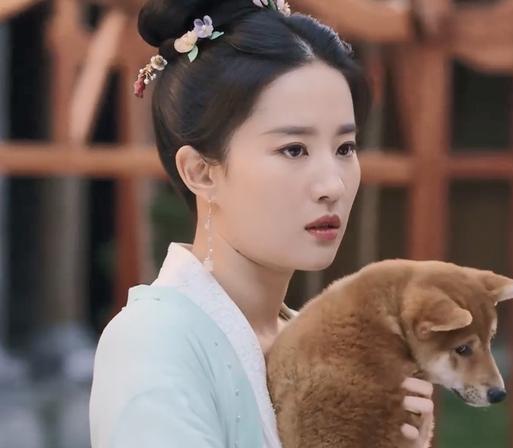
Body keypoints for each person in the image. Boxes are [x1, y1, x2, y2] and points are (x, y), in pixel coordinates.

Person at [89, 0, 434, 446]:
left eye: (345, 148)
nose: (332, 184)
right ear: (201, 172)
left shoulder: (313, 343)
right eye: (294, 149)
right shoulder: (154, 342)